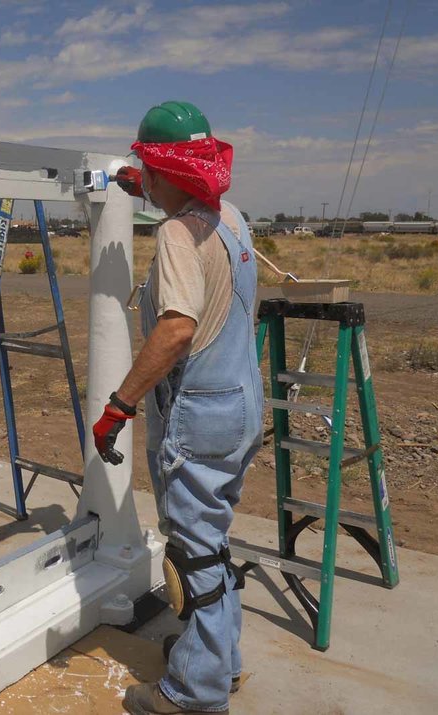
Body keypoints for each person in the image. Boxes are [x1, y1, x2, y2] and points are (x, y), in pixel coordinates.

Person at [94, 101, 263, 714]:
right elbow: (186, 203)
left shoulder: (174, 235)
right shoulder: (232, 218)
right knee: (211, 542)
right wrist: (140, 183)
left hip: (201, 415)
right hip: (242, 405)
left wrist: (119, 405)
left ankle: (195, 695)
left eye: (149, 171)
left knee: (193, 550)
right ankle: (220, 663)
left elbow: (175, 330)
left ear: (166, 171)